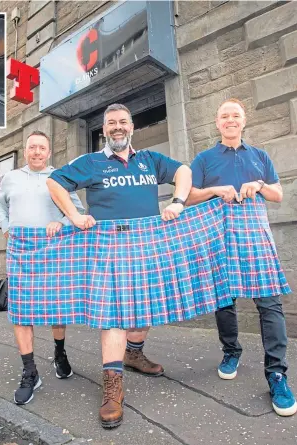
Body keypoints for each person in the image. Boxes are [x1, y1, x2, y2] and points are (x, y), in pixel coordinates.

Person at [46, 103, 192, 428]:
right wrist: (73, 215)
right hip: (108, 248)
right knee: (114, 316)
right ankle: (113, 389)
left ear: (131, 126)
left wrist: (178, 201)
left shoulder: (150, 160)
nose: (117, 127)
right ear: (104, 129)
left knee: (146, 308)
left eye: (122, 122)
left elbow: (183, 171)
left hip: (147, 245)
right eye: (111, 123)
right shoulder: (93, 162)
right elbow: (55, 182)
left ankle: (134, 353)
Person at [186, 98, 296, 417]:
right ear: (218, 123)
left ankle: (277, 374)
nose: (230, 120)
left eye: (236, 115)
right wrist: (215, 191)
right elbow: (189, 194)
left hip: (254, 234)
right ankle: (231, 351)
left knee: (270, 303)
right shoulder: (205, 159)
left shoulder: (260, 156)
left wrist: (258, 184)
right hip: (218, 232)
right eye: (224, 116)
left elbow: (278, 194)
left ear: (243, 122)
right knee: (224, 299)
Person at [0, 130, 85, 405]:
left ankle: (59, 353)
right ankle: (30, 371)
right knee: (21, 310)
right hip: (20, 251)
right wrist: (7, 228)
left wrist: (63, 222)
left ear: (48, 152)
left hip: (52, 250)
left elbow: (76, 211)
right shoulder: (11, 178)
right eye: (32, 147)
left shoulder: (59, 179)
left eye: (41, 148)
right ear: (26, 150)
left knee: (57, 307)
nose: (36, 152)